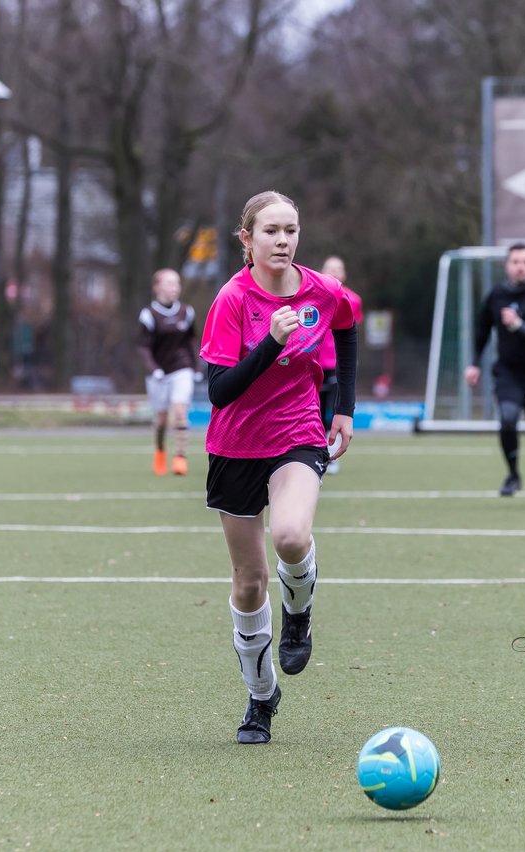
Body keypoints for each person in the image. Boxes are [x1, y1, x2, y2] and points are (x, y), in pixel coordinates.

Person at [199, 191, 358, 744]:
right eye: (270, 231)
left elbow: (348, 322)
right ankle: (261, 696)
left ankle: (300, 614)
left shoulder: (320, 289)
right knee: (248, 582)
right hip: (235, 445)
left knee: (291, 536)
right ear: (247, 240)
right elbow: (220, 392)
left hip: (297, 432)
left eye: (291, 229)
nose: (283, 240)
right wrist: (270, 343)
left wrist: (344, 410)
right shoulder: (232, 300)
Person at [463, 243, 525, 506]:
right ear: (507, 266)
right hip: (509, 372)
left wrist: (519, 326)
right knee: (507, 419)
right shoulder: (496, 295)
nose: (520, 266)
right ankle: (513, 474)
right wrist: (474, 363)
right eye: (515, 261)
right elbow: (482, 331)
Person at [137, 268, 198, 476]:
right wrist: (154, 369)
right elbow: (143, 346)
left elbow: (190, 341)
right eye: (170, 283)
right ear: (157, 287)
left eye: (177, 283)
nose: (175, 288)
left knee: (180, 413)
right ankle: (160, 451)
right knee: (162, 420)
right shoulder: (148, 314)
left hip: (181, 369)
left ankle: (180, 457)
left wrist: (195, 367)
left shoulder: (186, 312)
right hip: (159, 373)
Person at [316, 256, 363, 475]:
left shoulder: (352, 300)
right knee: (314, 410)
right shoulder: (311, 297)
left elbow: (350, 335)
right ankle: (315, 453)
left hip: (336, 365)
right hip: (314, 363)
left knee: (333, 411)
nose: (334, 272)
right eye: (329, 269)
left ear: (344, 274)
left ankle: (331, 455)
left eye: (338, 269)